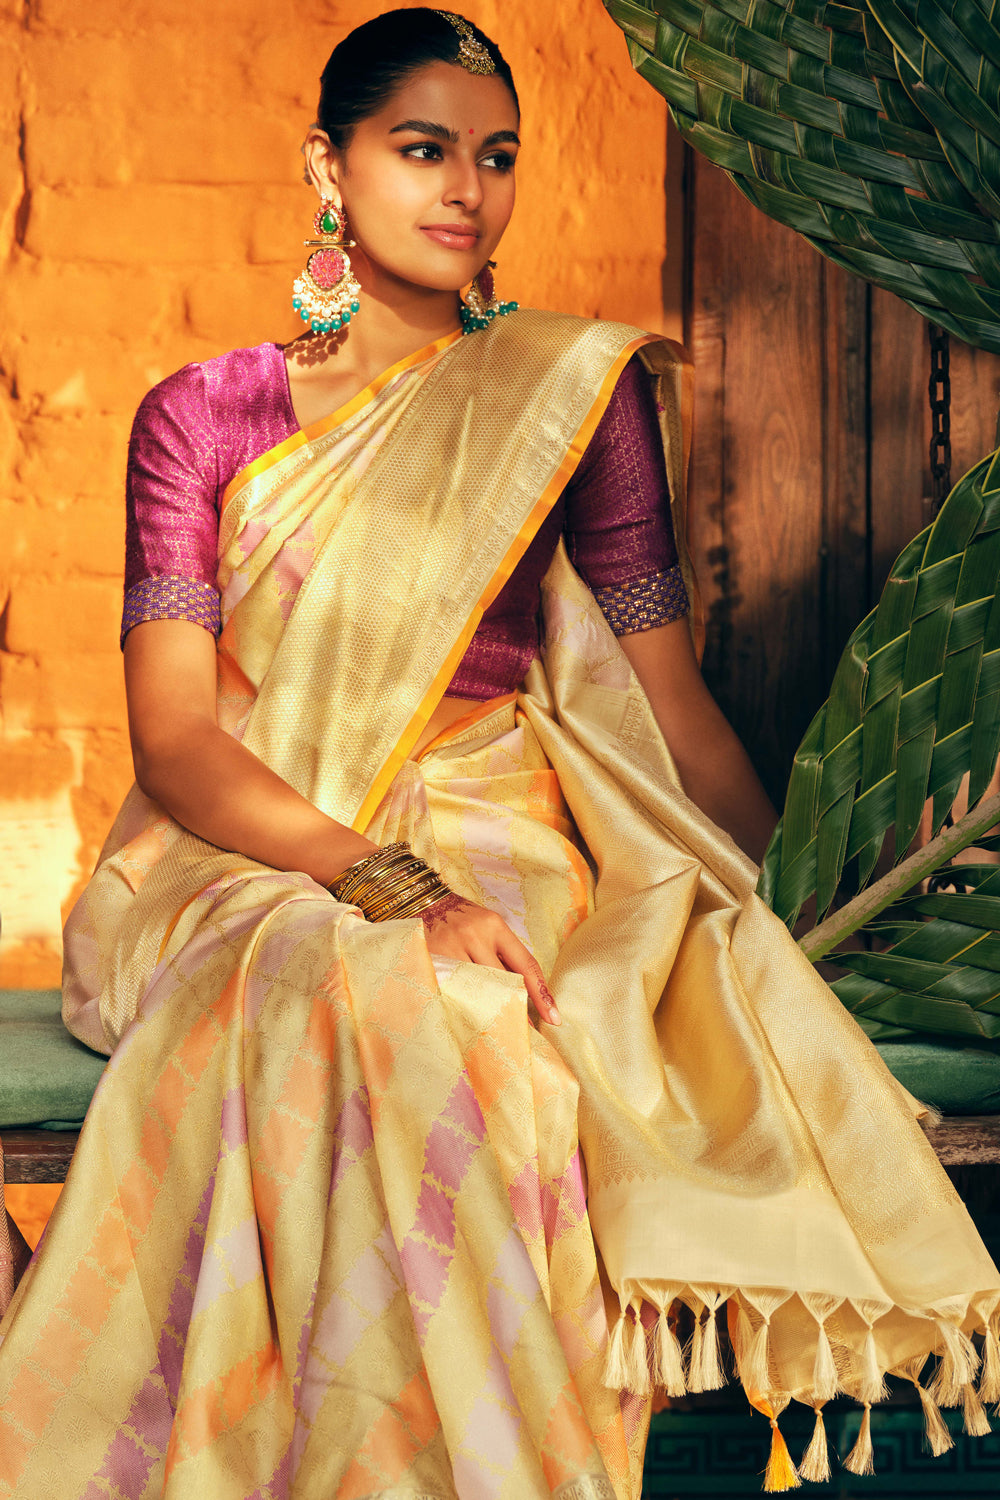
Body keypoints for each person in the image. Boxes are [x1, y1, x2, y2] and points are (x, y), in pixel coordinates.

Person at [0, 10, 997, 1498]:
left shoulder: (577, 395)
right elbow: (178, 737)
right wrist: (387, 884)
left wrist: (786, 907)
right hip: (258, 845)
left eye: (498, 156)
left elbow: (667, 698)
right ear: (328, 166)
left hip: (505, 822)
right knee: (349, 977)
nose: (467, 188)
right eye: (423, 149)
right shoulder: (202, 417)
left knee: (476, 1019)